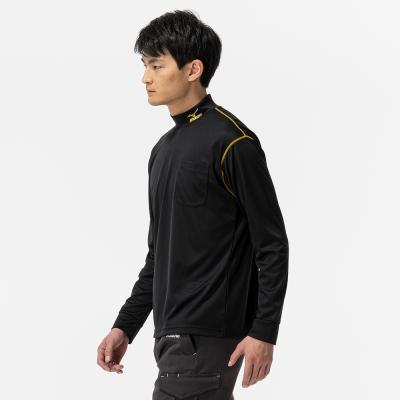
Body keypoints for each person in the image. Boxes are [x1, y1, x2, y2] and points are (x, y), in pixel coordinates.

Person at [97, 9, 289, 399]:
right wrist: (125, 326)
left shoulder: (233, 143)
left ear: (193, 69)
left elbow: (271, 244)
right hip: (171, 338)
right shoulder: (162, 151)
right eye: (144, 65)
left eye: (156, 65)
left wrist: (264, 331)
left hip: (209, 337)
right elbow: (160, 254)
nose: (146, 77)